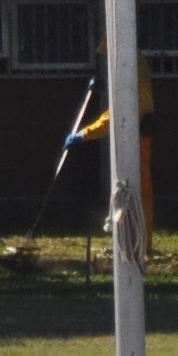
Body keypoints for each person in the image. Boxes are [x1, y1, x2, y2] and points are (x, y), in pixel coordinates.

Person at [67, 44, 155, 243]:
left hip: (136, 134)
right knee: (134, 188)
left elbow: (115, 116)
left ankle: (139, 242)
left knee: (136, 189)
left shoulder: (129, 70)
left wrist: (83, 134)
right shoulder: (134, 63)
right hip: (136, 130)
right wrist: (106, 82)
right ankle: (133, 239)